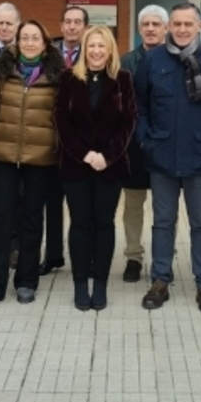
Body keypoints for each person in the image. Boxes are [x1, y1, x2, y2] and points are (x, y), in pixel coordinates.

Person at [135, 3, 201, 314]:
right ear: (169, 27)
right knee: (162, 223)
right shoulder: (152, 60)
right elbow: (140, 105)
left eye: (187, 24)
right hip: (162, 155)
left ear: (199, 25)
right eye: (176, 23)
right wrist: (145, 140)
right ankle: (160, 281)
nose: (181, 29)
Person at [0, 20, 65, 308]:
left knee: (32, 219)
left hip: (41, 158)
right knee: (1, 219)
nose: (30, 43)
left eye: (35, 38)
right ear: (16, 42)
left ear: (45, 44)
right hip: (2, 156)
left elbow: (63, 117)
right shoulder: (2, 72)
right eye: (24, 38)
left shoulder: (57, 76)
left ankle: (27, 281)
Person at [54, 25, 137, 310]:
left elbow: (129, 122)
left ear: (110, 49)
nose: (97, 51)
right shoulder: (68, 79)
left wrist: (107, 156)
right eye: (92, 46)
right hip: (76, 166)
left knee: (104, 224)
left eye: (102, 46)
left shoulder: (123, 79)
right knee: (79, 224)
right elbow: (61, 122)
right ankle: (80, 284)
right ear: (84, 50)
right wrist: (86, 154)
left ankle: (99, 284)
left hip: (109, 167)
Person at [119, 4, 167, 282]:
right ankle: (133, 258)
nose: (150, 29)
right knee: (133, 205)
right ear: (139, 29)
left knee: (165, 207)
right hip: (135, 146)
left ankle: (163, 256)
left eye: (155, 24)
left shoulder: (177, 59)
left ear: (164, 29)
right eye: (145, 24)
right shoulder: (126, 62)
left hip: (166, 146)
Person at [40, 5, 89, 276]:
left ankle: (85, 256)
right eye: (67, 22)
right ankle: (53, 255)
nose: (72, 27)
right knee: (51, 201)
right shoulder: (48, 55)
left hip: (81, 140)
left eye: (77, 22)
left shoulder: (94, 52)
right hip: (50, 137)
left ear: (85, 27)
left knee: (81, 204)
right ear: (60, 26)